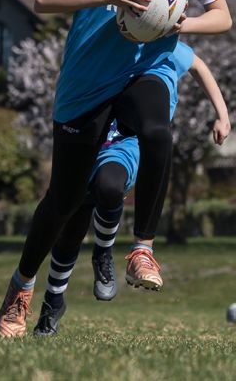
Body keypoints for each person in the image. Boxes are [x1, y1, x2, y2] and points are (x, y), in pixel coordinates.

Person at [0, 0, 232, 338]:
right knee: (63, 201)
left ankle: (143, 247)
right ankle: (22, 285)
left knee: (156, 130)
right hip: (88, 84)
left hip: (147, 69)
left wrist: (180, 22)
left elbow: (223, 16)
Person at [33, 42, 231, 336]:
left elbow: (198, 65)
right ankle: (53, 301)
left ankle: (103, 251)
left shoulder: (156, 45)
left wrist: (222, 114)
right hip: (87, 140)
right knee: (72, 227)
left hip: (124, 144)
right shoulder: (103, 42)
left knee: (109, 186)